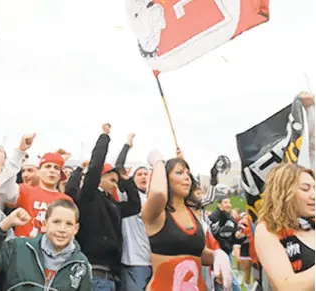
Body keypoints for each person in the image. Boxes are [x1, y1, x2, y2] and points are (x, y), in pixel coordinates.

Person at [142, 151, 232, 291]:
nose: (187, 178)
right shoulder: (156, 214)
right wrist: (159, 161)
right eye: (179, 173)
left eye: (188, 174)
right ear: (166, 178)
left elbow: (197, 252)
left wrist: (217, 255)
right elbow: (158, 193)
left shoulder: (194, 213)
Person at [0, 200, 92, 290]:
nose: (62, 229)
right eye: (56, 222)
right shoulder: (18, 248)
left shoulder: (81, 265)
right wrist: (5, 224)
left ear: (76, 229)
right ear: (44, 225)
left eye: (69, 224)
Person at [76, 124, 141, 290]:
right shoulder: (88, 197)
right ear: (100, 178)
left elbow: (135, 206)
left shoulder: (113, 205)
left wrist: (126, 180)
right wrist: (104, 137)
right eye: (112, 180)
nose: (114, 185)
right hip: (92, 274)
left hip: (111, 277)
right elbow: (95, 166)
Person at [0, 134, 74, 238]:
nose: (52, 170)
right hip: (25, 249)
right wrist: (19, 151)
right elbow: (3, 189)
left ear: (60, 175)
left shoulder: (66, 200)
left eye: (56, 168)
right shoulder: (25, 190)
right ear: (39, 172)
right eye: (47, 166)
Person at [255, 163, 315, 291]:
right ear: (284, 193)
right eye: (305, 189)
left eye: (315, 188)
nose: (314, 195)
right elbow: (286, 286)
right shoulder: (268, 229)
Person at [116, 134, 152, 291]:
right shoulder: (129, 196)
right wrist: (127, 146)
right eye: (139, 174)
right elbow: (118, 167)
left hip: (155, 260)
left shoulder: (155, 198)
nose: (144, 176)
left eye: (146, 174)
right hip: (134, 261)